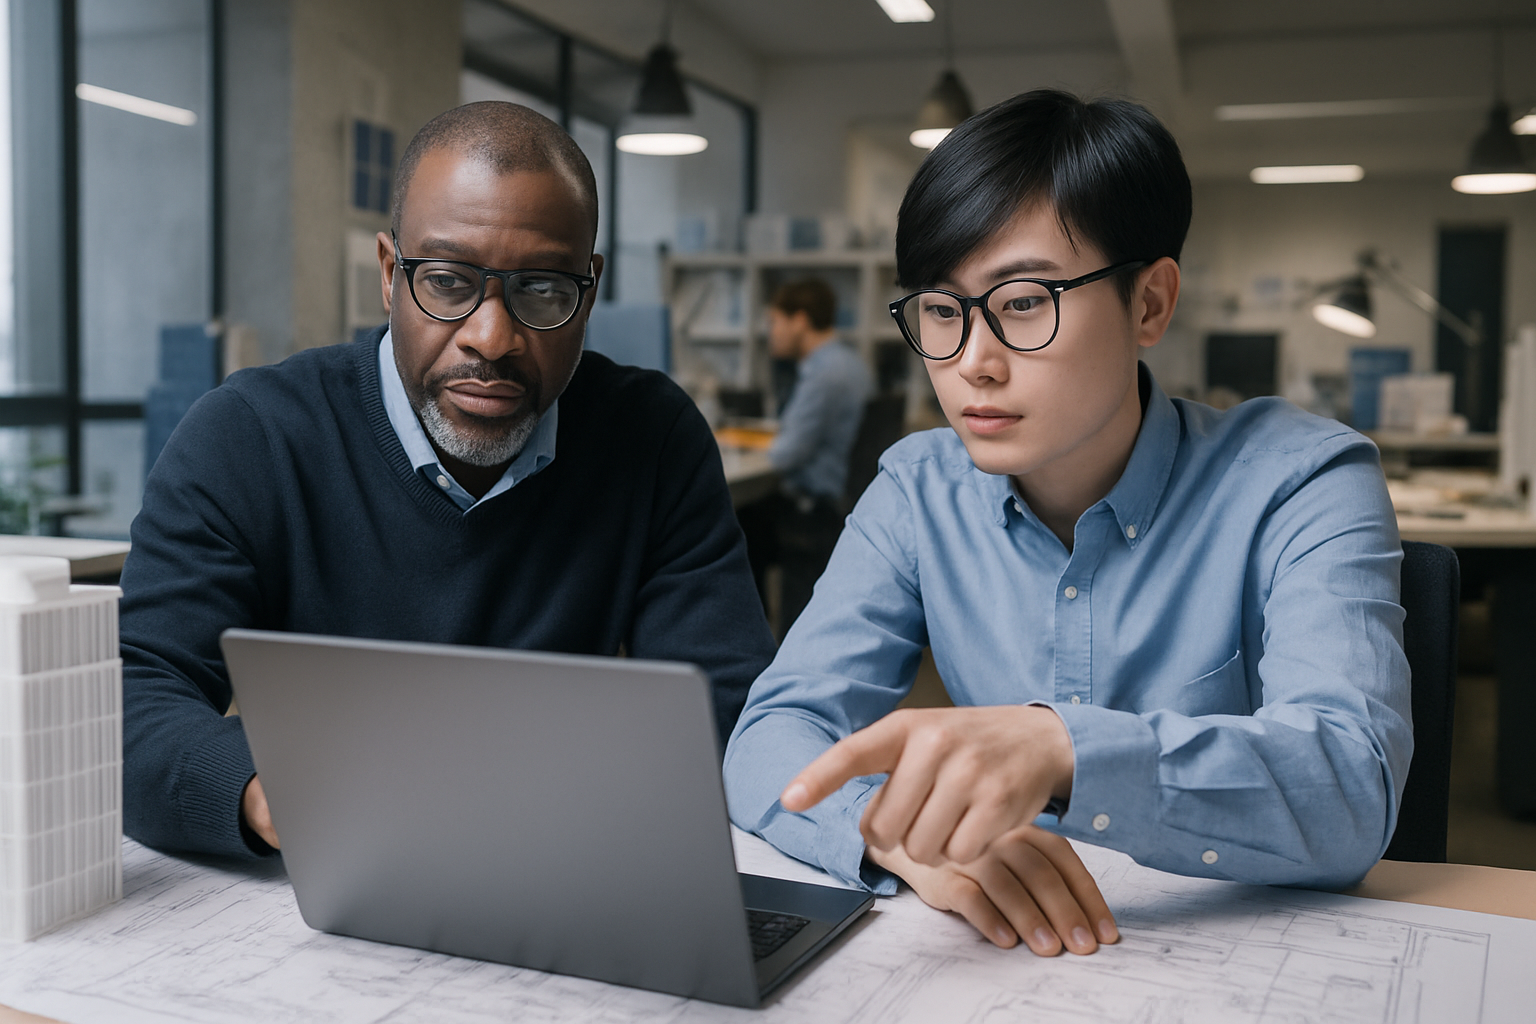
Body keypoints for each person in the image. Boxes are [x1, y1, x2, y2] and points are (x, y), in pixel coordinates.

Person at [723, 90, 1411, 958]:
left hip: (1241, 952)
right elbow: (769, 739)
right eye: (941, 308)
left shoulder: (1304, 478)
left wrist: (1059, 747)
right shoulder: (916, 488)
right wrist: (883, 832)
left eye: (1022, 302)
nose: (974, 361)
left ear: (1151, 304)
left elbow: (1353, 784)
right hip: (1013, 962)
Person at [120, 101, 776, 859]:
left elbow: (724, 714)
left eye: (542, 291)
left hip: (563, 873)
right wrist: (271, 795)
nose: (491, 338)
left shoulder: (651, 440)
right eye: (447, 281)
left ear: (589, 289)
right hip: (320, 885)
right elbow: (131, 695)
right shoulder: (248, 437)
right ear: (388, 273)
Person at [740, 279, 873, 631]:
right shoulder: (851, 364)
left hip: (814, 516)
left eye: (774, 322)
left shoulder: (823, 374)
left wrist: (750, 442)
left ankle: (750, 638)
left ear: (799, 321)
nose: (771, 333)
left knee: (733, 524)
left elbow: (786, 454)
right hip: (842, 507)